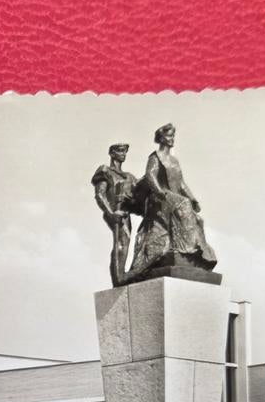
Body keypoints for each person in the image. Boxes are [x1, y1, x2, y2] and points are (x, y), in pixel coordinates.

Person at [129, 123, 217, 278]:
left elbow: (181, 183)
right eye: (169, 136)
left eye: (173, 136)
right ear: (161, 138)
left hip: (175, 198)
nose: (172, 139)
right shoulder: (155, 157)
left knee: (198, 220)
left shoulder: (174, 161)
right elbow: (150, 176)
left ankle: (192, 252)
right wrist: (161, 192)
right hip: (160, 198)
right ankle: (182, 248)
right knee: (183, 205)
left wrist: (192, 197)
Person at [91, 143, 140, 287]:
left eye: (125, 151)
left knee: (125, 241)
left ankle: (122, 273)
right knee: (121, 241)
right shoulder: (105, 170)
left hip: (125, 214)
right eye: (120, 151)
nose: (123, 153)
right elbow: (100, 195)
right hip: (114, 212)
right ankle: (118, 277)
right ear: (112, 153)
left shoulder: (129, 177)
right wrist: (111, 213)